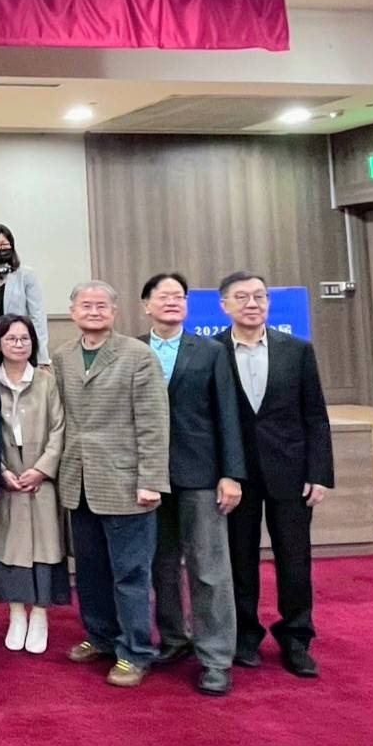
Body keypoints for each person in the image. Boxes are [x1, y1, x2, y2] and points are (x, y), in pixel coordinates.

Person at [215, 270, 333, 679]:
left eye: (260, 297)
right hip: (237, 476)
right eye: (242, 297)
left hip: (291, 471)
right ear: (224, 305)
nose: (252, 304)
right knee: (239, 558)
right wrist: (222, 472)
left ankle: (296, 637)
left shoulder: (297, 350)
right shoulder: (212, 352)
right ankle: (245, 634)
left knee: (294, 560)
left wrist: (319, 472)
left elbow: (315, 415)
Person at [53, 280, 170, 688]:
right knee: (90, 571)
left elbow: (154, 423)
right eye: (85, 305)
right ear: (73, 312)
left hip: (126, 482)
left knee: (130, 573)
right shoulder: (63, 356)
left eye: (101, 305)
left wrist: (151, 480)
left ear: (115, 312)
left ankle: (135, 651)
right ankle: (100, 635)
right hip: (79, 482)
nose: (94, 311)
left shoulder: (138, 355)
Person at [139, 273, 245, 696]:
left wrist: (231, 473)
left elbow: (228, 415)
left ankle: (216, 657)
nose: (172, 301)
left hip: (200, 475)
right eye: (163, 296)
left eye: (179, 296)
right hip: (148, 477)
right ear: (146, 305)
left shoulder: (212, 351)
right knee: (160, 565)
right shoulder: (132, 350)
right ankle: (173, 637)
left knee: (208, 569)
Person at [0, 314, 68, 657]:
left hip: (40, 478)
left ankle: (40, 615)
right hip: (6, 479)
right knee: (9, 548)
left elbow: (60, 428)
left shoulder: (46, 381)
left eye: (25, 338)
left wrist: (42, 470)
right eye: (11, 339)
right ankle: (16, 614)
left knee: (46, 547)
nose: (19, 344)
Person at [0, 223, 50, 365]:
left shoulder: (26, 275)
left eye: (4, 244)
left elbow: (37, 317)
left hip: (16, 346)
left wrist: (42, 357)